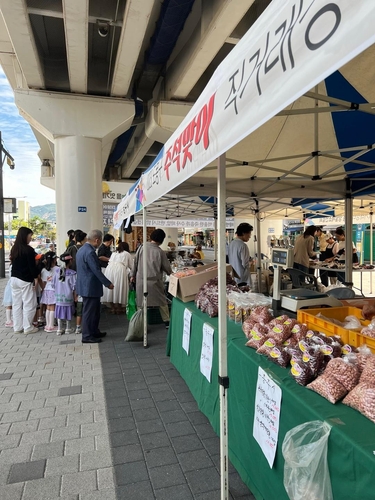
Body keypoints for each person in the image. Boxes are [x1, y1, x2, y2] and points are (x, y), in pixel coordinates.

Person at [76, 229, 114, 343]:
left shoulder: (82, 250)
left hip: (86, 285)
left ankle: (94, 331)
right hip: (90, 286)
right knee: (89, 311)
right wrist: (108, 283)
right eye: (101, 240)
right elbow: (96, 270)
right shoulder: (90, 252)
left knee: (94, 311)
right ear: (97, 240)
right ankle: (87, 335)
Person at [131, 229, 172, 328]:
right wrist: (172, 273)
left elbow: (135, 263)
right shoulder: (160, 251)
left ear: (151, 237)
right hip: (155, 282)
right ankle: (167, 321)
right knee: (162, 302)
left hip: (141, 280)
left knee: (141, 303)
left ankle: (140, 322)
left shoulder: (141, 247)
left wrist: (132, 275)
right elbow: (167, 267)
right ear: (161, 240)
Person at [9, 227, 39, 335]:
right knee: (29, 303)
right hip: (25, 279)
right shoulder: (29, 250)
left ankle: (17, 327)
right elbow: (32, 267)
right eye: (30, 235)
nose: (31, 238)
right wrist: (35, 278)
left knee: (16, 304)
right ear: (25, 236)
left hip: (14, 279)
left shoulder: (14, 248)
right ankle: (28, 327)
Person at [103, 241, 133, 314]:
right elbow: (132, 266)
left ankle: (113, 308)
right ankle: (119, 308)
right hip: (120, 270)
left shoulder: (114, 253)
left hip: (109, 269)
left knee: (110, 289)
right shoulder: (127, 254)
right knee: (120, 288)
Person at [52, 254, 77, 335]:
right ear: (70, 261)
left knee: (59, 312)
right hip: (68, 296)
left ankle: (59, 329)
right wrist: (75, 296)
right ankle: (68, 328)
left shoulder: (56, 272)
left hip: (58, 296)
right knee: (68, 312)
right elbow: (74, 286)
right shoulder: (72, 273)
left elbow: (53, 284)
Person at [40, 251, 58, 332]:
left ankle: (47, 325)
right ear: (54, 259)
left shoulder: (44, 270)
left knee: (47, 308)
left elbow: (43, 282)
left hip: (46, 290)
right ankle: (51, 326)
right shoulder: (58, 269)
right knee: (52, 307)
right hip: (54, 290)